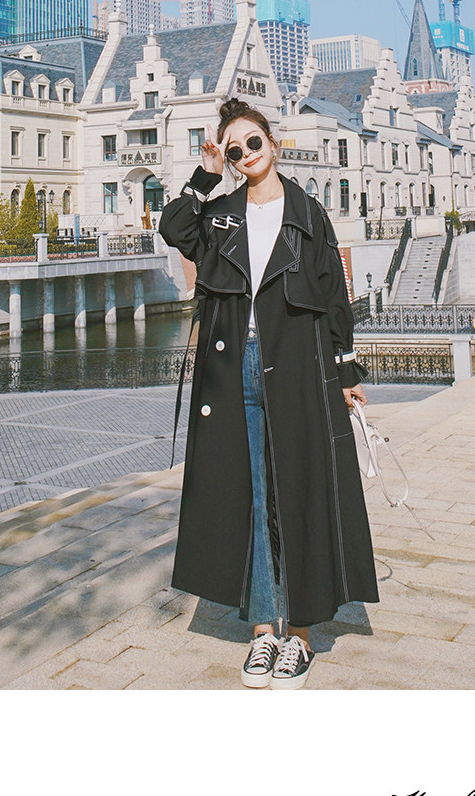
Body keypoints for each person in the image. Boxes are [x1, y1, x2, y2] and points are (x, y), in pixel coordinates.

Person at [159, 97, 378, 689]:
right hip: (235, 369)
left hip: (300, 366)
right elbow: (173, 226)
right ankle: (262, 630)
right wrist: (206, 173)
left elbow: (332, 296)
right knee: (250, 495)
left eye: (253, 142)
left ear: (272, 144)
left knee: (299, 493)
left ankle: (299, 634)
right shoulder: (220, 215)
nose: (246, 154)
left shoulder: (308, 214)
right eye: (234, 150)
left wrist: (348, 373)